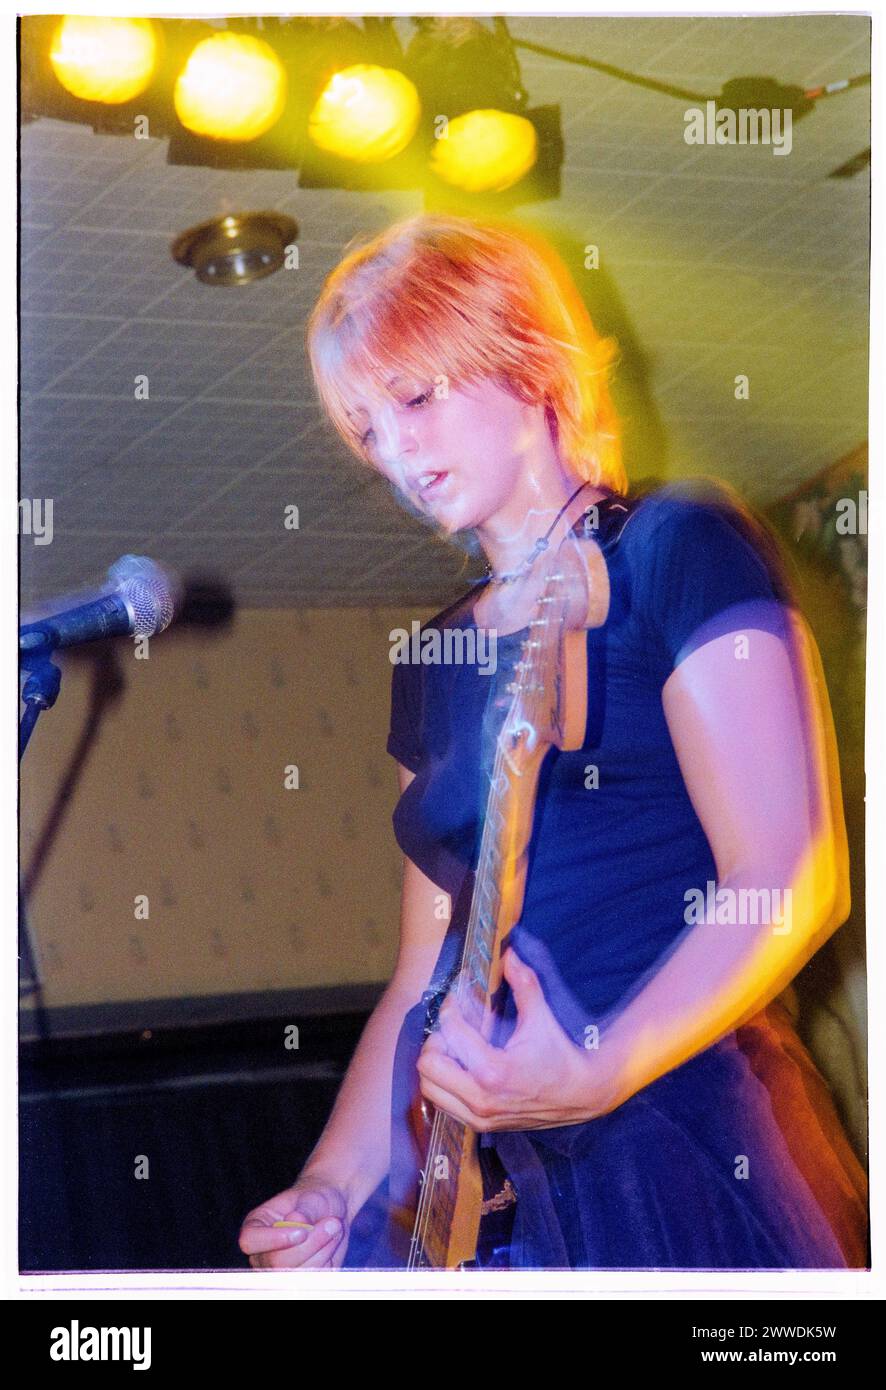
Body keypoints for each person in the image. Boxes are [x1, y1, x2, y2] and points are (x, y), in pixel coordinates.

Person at [238, 214, 868, 1270]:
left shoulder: (679, 545)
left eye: (415, 397)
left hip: (689, 1129)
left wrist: (599, 1064)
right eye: (366, 428)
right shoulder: (431, 657)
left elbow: (789, 873)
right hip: (516, 1187)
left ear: (523, 359)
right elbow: (420, 978)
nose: (394, 451)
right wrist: (329, 1186)